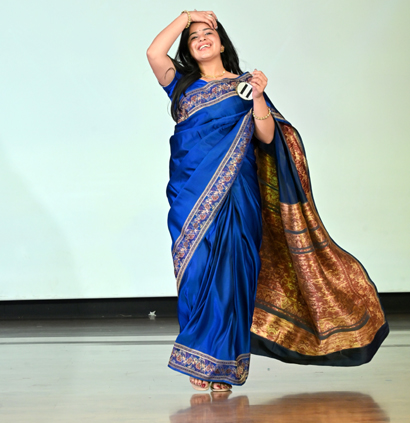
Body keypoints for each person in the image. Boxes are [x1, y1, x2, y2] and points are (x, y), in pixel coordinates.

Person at [146, 10, 389, 393]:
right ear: (189, 50)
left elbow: (266, 136)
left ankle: (222, 367)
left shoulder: (244, 85)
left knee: (235, 274)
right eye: (194, 37)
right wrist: (188, 16)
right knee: (196, 272)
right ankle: (200, 353)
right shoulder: (180, 84)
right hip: (190, 195)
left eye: (208, 33)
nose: (202, 39)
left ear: (222, 43)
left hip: (238, 193)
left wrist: (258, 97)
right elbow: (154, 52)